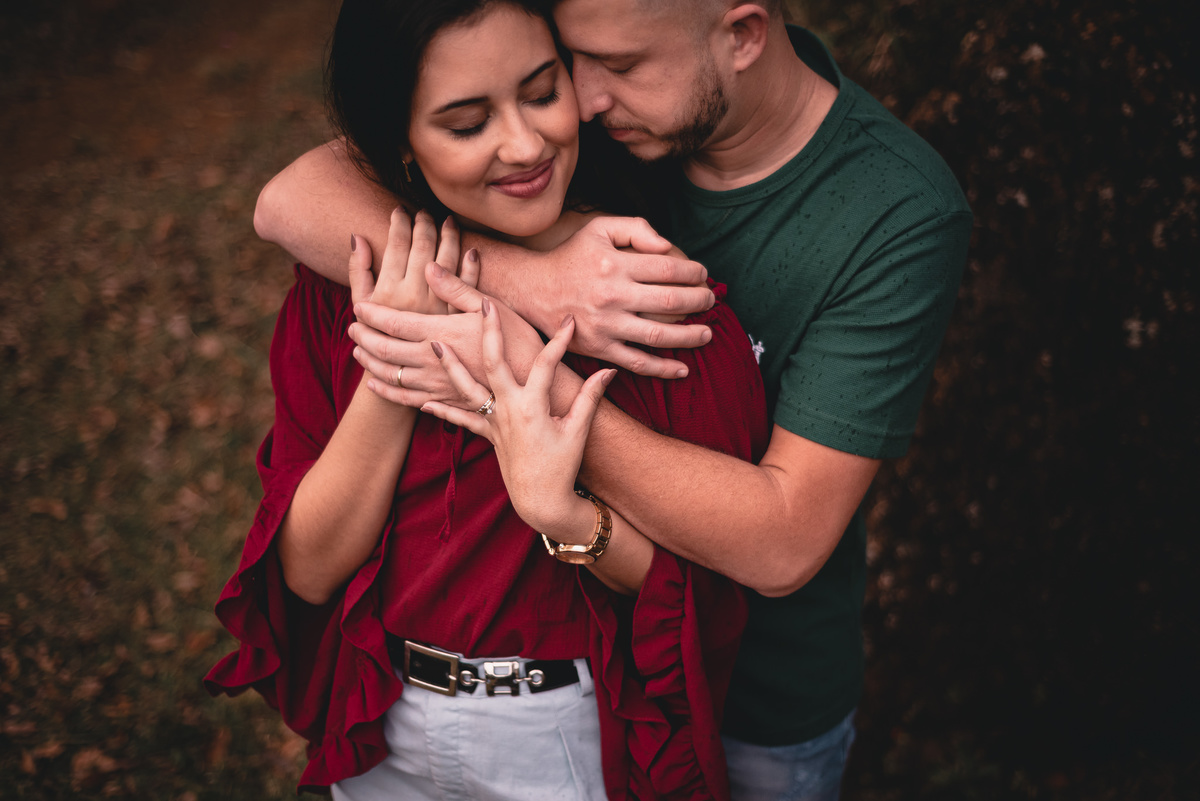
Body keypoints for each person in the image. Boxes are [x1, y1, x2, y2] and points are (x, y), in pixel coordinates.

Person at [253, 1, 974, 798]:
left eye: (619, 68)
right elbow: (292, 194)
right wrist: (521, 279)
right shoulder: (581, 132)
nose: (585, 101)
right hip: (552, 680)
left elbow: (785, 542)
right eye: (571, 60)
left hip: (764, 697)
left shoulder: (894, 209)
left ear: (740, 35)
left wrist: (517, 375)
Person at [205, 1, 769, 799]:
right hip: (385, 725)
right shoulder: (343, 289)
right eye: (468, 123)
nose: (525, 143)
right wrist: (396, 365)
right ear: (400, 139)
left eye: (542, 93)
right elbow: (305, 569)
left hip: (560, 736)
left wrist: (570, 519)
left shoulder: (648, 304)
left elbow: (706, 593)